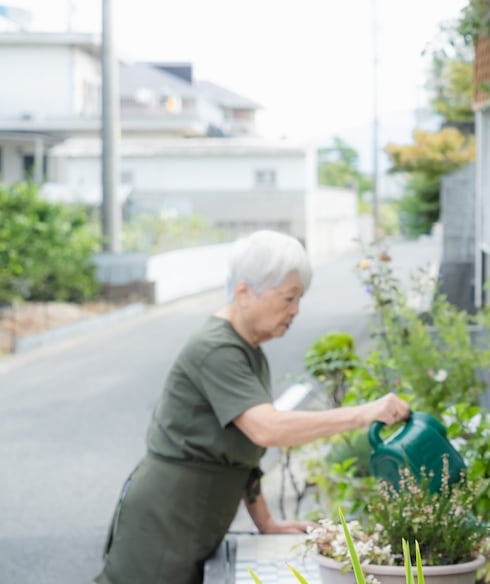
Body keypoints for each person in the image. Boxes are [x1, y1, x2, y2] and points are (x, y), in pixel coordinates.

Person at [95, 230, 410, 584]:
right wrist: (365, 412)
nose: (295, 311)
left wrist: (266, 522)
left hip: (192, 519)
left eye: (299, 299)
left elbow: (244, 450)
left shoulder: (249, 350)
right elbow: (267, 429)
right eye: (288, 298)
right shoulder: (217, 349)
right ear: (244, 292)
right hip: (165, 521)